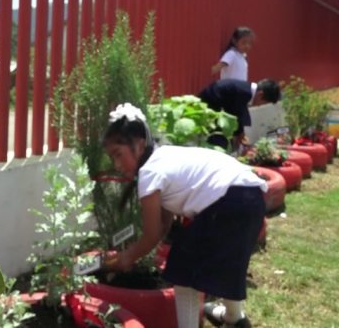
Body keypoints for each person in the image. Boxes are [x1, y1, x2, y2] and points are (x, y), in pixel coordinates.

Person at [102, 103, 266, 328]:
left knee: (183, 271)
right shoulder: (163, 156)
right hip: (250, 197)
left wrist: (126, 258)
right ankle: (234, 319)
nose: (116, 165)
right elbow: (163, 225)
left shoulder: (150, 173)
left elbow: (151, 235)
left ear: (139, 145)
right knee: (228, 265)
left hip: (229, 201)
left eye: (118, 155)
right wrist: (135, 251)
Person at [197, 78, 281, 151]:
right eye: (263, 103)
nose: (259, 105)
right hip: (209, 107)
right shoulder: (244, 93)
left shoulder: (246, 90)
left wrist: (240, 134)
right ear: (260, 95)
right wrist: (240, 134)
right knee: (219, 141)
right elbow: (236, 115)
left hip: (217, 106)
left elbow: (239, 114)